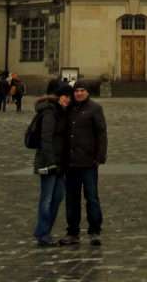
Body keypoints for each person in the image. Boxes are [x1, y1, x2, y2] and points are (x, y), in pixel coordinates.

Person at [60, 80, 107, 248]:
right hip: (71, 162)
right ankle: (73, 232)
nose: (79, 93)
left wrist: (99, 157)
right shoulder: (69, 109)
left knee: (92, 197)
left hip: (88, 162)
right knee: (72, 199)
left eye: (82, 90)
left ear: (87, 92)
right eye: (77, 91)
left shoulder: (95, 108)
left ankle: (95, 231)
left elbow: (101, 134)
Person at [33, 81, 73, 247]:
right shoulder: (50, 112)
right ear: (59, 96)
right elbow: (46, 139)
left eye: (69, 98)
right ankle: (43, 233)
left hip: (61, 162)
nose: (67, 100)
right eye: (65, 97)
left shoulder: (63, 112)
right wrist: (50, 162)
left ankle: (45, 231)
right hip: (49, 162)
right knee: (47, 198)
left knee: (57, 197)